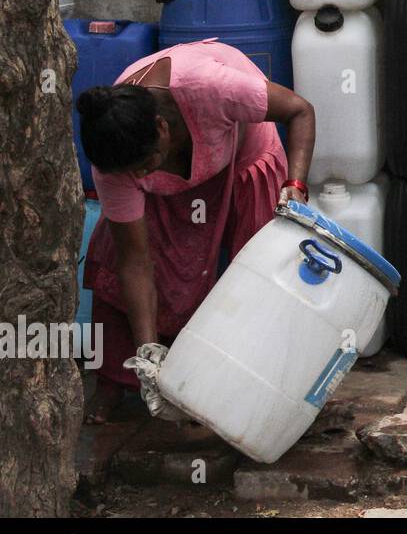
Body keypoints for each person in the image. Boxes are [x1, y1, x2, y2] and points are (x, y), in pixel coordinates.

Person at [77, 39, 315, 424]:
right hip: (169, 185)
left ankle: (258, 386)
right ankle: (116, 381)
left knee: (261, 275)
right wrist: (147, 352)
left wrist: (297, 186)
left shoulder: (210, 87)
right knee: (113, 258)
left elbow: (300, 110)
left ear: (162, 127)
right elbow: (135, 262)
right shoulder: (117, 162)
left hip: (242, 158)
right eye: (131, 173)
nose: (139, 175)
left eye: (145, 164)